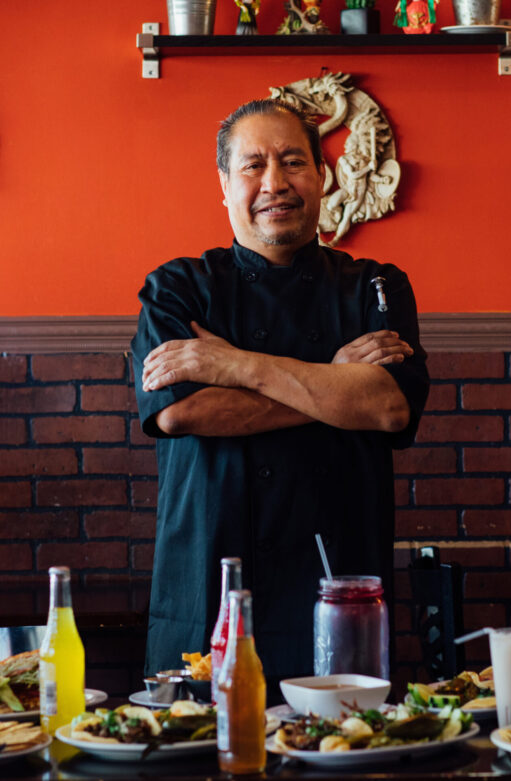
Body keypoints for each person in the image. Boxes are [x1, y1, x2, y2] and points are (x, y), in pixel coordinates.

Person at [131, 98, 429, 684]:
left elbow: (388, 407)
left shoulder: (375, 285)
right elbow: (182, 412)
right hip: (208, 587)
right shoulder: (177, 290)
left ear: (323, 176)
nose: (275, 183)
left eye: (294, 162)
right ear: (224, 185)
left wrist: (235, 364)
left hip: (335, 586)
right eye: (253, 166)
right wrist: (333, 385)